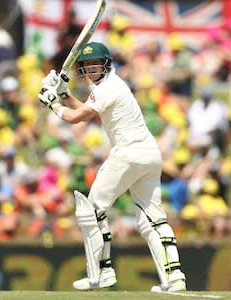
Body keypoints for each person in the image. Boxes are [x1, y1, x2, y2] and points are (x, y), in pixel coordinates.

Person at [37, 41, 186, 292]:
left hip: (128, 153)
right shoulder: (112, 86)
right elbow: (85, 108)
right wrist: (63, 95)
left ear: (106, 64)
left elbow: (76, 117)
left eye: (96, 63)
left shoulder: (107, 87)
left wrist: (53, 103)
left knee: (91, 210)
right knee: (152, 218)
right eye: (87, 65)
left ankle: (100, 274)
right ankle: (174, 278)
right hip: (149, 154)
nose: (91, 69)